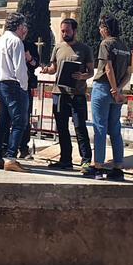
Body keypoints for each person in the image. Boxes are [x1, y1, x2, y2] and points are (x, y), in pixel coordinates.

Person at [40, 17, 92, 171]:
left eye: (67, 31)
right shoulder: (58, 47)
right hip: (59, 93)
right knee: (62, 128)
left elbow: (90, 72)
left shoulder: (85, 49)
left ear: (75, 31)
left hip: (77, 94)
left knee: (80, 127)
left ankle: (86, 161)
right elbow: (54, 68)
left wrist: (82, 76)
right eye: (62, 31)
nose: (64, 34)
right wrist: (45, 70)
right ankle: (65, 159)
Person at [85, 14, 133, 180]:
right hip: (117, 91)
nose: (99, 30)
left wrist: (112, 89)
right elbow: (128, 73)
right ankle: (118, 167)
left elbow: (108, 68)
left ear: (105, 28)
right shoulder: (125, 47)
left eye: (101, 27)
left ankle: (98, 166)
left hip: (104, 88)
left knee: (100, 128)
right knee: (115, 129)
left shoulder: (106, 44)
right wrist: (118, 89)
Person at [0, 13, 32, 172]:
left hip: (0, 83)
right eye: (24, 26)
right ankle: (11, 157)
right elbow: (19, 67)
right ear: (19, 26)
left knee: (3, 122)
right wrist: (24, 87)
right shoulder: (16, 41)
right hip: (14, 85)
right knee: (20, 122)